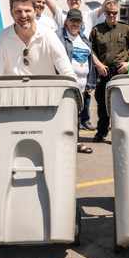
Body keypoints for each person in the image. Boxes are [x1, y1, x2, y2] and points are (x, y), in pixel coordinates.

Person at [35, 0, 118, 131]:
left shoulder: (88, 16)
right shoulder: (62, 15)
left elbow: (103, 8)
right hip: (67, 64)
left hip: (84, 61)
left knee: (86, 96)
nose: (74, 1)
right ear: (67, 2)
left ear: (80, 2)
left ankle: (84, 120)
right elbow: (50, 0)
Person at [0, 0, 77, 82]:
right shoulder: (1, 39)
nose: (23, 15)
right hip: (12, 96)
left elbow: (68, 73)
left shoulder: (49, 35)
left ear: (35, 12)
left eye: (27, 10)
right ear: (11, 13)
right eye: (18, 11)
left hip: (45, 95)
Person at [89, 0, 129, 143]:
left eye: (115, 13)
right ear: (104, 12)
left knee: (121, 105)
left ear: (118, 12)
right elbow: (90, 50)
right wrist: (97, 64)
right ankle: (101, 131)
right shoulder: (96, 30)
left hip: (120, 72)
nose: (112, 15)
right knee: (102, 105)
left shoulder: (125, 29)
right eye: (109, 12)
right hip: (104, 72)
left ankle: (120, 133)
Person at [56, 9, 97, 154]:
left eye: (78, 21)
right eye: (72, 20)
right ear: (66, 22)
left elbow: (89, 62)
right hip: (65, 85)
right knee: (64, 115)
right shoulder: (58, 37)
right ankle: (64, 144)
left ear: (82, 23)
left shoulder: (84, 39)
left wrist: (90, 83)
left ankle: (75, 142)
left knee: (76, 116)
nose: (75, 23)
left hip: (82, 86)